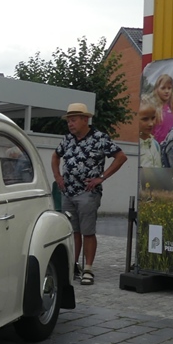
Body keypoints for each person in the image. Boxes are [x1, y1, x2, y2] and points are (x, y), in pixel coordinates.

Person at [52, 103, 127, 286]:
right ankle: (73, 265)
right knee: (73, 231)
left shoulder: (99, 138)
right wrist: (58, 177)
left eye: (73, 120)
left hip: (88, 193)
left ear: (85, 120)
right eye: (68, 121)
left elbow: (121, 157)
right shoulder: (67, 139)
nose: (70, 124)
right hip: (68, 192)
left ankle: (88, 268)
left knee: (87, 231)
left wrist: (102, 177)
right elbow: (55, 156)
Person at [151, 73, 173, 144]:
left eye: (169, 88)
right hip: (156, 146)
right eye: (163, 88)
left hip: (170, 146)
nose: (167, 91)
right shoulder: (153, 108)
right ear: (157, 89)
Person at [138, 95, 161, 168]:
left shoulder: (155, 145)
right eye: (145, 119)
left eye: (153, 118)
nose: (151, 124)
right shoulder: (135, 147)